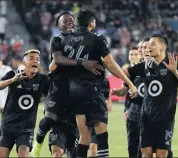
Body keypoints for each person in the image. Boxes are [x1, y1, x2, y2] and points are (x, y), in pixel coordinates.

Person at [51, 8, 137, 157]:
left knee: (84, 137)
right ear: (92, 23)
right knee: (101, 134)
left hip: (73, 93)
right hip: (92, 91)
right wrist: (129, 83)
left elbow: (55, 65)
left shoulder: (65, 39)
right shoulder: (97, 38)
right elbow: (110, 63)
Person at [31, 12, 104, 158]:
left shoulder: (81, 40)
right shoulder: (57, 39)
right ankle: (37, 146)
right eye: (65, 21)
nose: (69, 22)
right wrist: (82, 62)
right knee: (50, 117)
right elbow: (57, 60)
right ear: (58, 25)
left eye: (71, 20)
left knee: (80, 126)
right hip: (59, 86)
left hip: (77, 89)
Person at [123, 34, 178, 157]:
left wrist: (175, 71)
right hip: (146, 118)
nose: (149, 47)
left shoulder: (172, 61)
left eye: (153, 44)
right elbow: (124, 73)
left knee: (162, 154)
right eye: (148, 44)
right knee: (145, 154)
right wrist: (107, 64)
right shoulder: (145, 65)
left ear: (163, 47)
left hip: (166, 119)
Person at [0, 49, 49, 157]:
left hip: (27, 127)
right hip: (8, 124)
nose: (35, 61)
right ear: (24, 62)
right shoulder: (13, 74)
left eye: (37, 59)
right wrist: (13, 80)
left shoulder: (43, 79)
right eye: (31, 58)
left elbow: (51, 95)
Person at [112, 47, 143, 158]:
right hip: (132, 110)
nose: (133, 56)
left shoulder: (145, 69)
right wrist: (127, 109)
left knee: (145, 146)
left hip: (147, 110)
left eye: (136, 54)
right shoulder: (127, 69)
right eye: (131, 54)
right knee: (133, 145)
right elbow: (125, 91)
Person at [0, 58, 11, 134]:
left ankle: (5, 126)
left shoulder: (7, 68)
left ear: (1, 62)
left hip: (5, 92)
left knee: (3, 110)